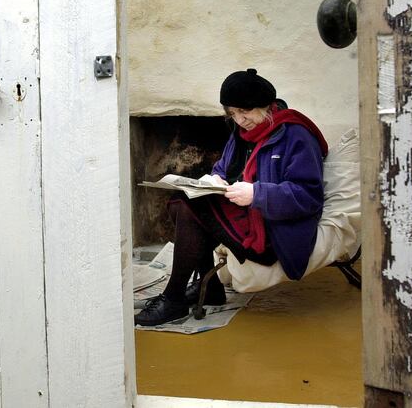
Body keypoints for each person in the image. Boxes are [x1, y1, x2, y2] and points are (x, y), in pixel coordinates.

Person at [135, 68, 328, 326]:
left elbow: (309, 197)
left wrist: (257, 193)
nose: (239, 120)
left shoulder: (296, 135)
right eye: (232, 114)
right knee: (181, 202)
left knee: (186, 208)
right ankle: (208, 288)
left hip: (274, 229)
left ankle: (175, 297)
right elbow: (222, 169)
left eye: (244, 112)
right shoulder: (242, 133)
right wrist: (214, 181)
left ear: (266, 106)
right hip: (247, 216)